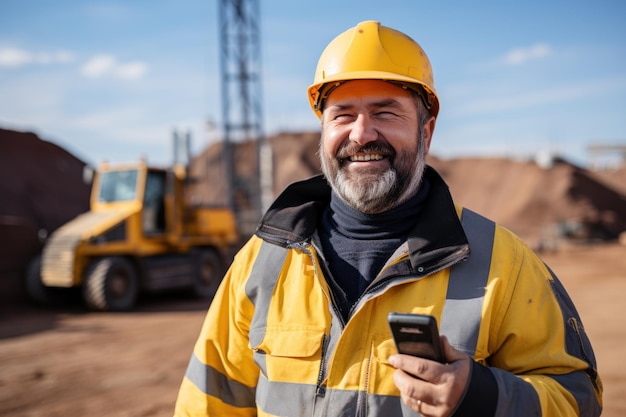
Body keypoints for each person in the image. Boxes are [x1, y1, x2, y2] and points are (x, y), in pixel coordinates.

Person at [174, 20, 602, 416]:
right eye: (342, 114)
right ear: (323, 133)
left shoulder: (503, 264)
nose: (361, 134)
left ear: (426, 131)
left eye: (385, 112)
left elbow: (576, 399)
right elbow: (206, 403)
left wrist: (480, 395)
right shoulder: (261, 262)